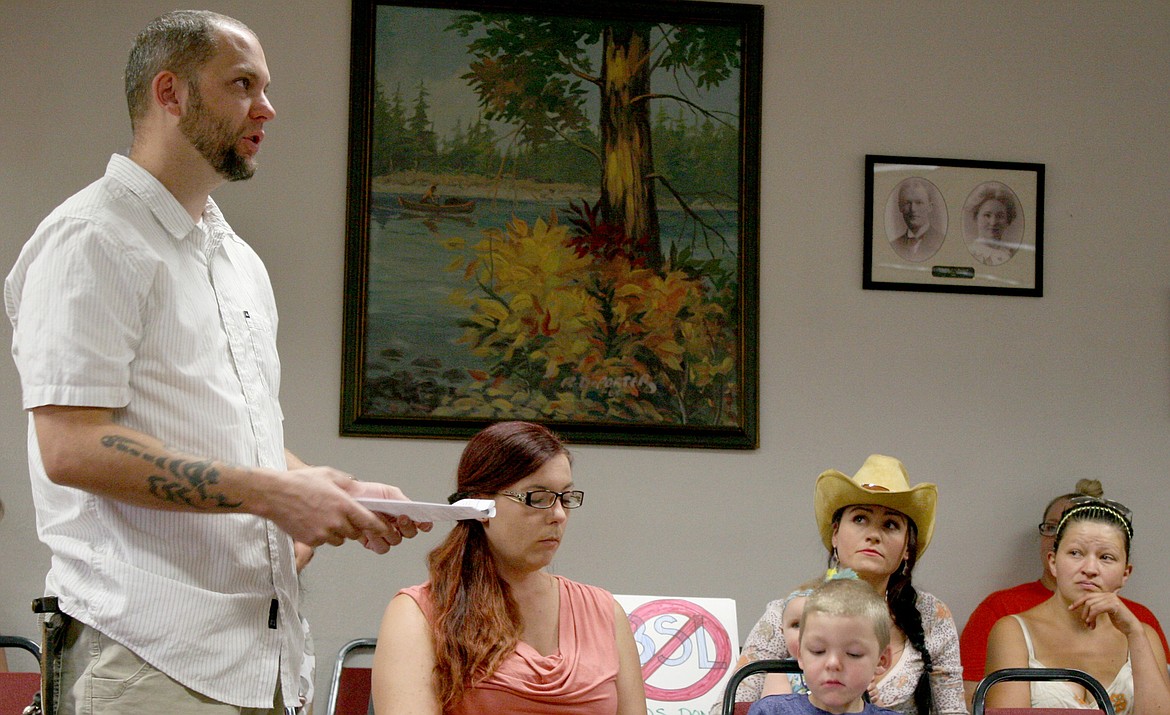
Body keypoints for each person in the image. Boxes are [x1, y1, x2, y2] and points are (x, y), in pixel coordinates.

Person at [4, 10, 430, 713]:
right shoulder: (92, 240)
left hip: (261, 659)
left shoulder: (238, 261)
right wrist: (277, 495)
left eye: (265, 86)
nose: (268, 106)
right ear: (170, 93)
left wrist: (329, 489)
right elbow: (71, 445)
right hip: (148, 661)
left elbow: (234, 439)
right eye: (243, 83)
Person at [371, 421, 646, 714]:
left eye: (565, 498)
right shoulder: (420, 613)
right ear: (479, 505)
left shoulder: (604, 612)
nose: (558, 515)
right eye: (537, 499)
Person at [731, 455, 965, 715]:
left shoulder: (932, 615)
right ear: (835, 533)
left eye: (890, 524)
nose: (873, 535)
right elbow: (732, 703)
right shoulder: (790, 612)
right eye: (860, 519)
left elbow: (952, 711)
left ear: (907, 549)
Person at [960, 479, 1168, 707]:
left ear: (1125, 573)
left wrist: (1134, 633)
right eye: (1076, 553)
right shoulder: (1013, 631)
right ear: (1053, 562)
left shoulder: (1144, 635)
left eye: (1106, 557)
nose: (1090, 569)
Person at [748, 579, 901, 715]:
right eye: (818, 651)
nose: (833, 663)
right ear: (800, 655)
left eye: (853, 654)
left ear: (881, 660)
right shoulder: (771, 711)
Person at [889, 179, 945, 263]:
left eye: (919, 202)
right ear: (900, 207)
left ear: (930, 207)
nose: (913, 209)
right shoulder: (894, 245)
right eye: (907, 203)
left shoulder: (941, 242)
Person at [964, 183, 1019, 266]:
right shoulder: (970, 254)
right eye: (987, 215)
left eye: (1000, 216)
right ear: (976, 217)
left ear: (1008, 220)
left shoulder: (1013, 254)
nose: (993, 222)